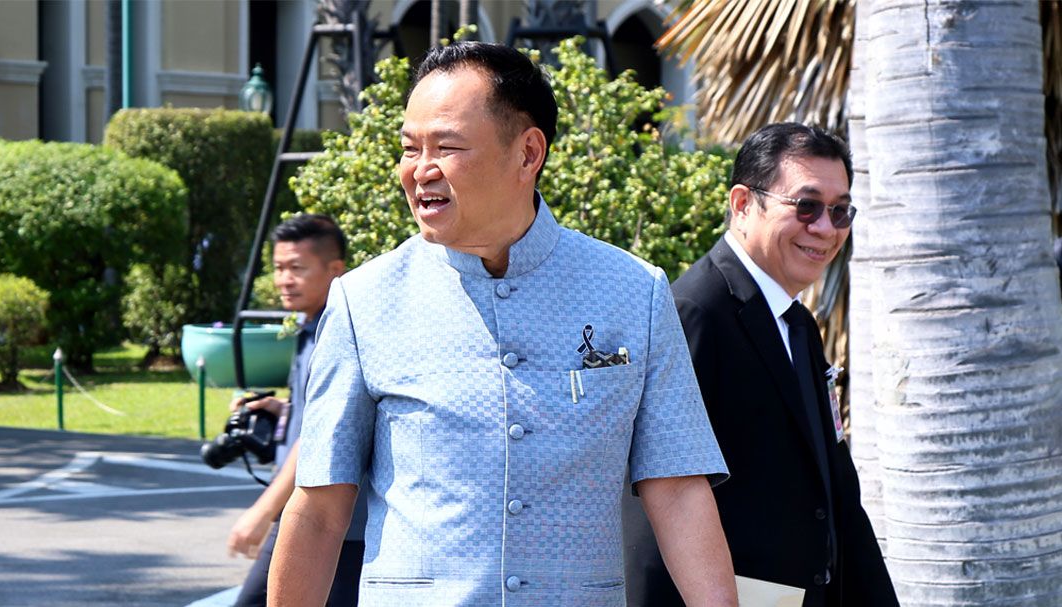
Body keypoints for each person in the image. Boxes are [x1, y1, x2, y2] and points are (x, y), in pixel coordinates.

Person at [268, 42, 736, 607]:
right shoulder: (363, 300)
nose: (420, 170)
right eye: (410, 148)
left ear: (528, 153)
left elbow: (678, 487)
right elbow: (319, 508)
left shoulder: (634, 291)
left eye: (447, 147)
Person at [623, 123, 899, 606]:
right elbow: (658, 503)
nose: (826, 228)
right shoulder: (694, 313)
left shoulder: (797, 323)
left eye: (840, 211)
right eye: (806, 206)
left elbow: (835, 489)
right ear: (743, 204)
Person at [227, 214, 367, 607]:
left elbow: (318, 437)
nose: (284, 280)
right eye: (278, 268)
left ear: (335, 270)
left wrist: (261, 512)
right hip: (309, 516)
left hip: (332, 526)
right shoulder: (310, 328)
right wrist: (282, 409)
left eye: (297, 268)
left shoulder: (337, 333)